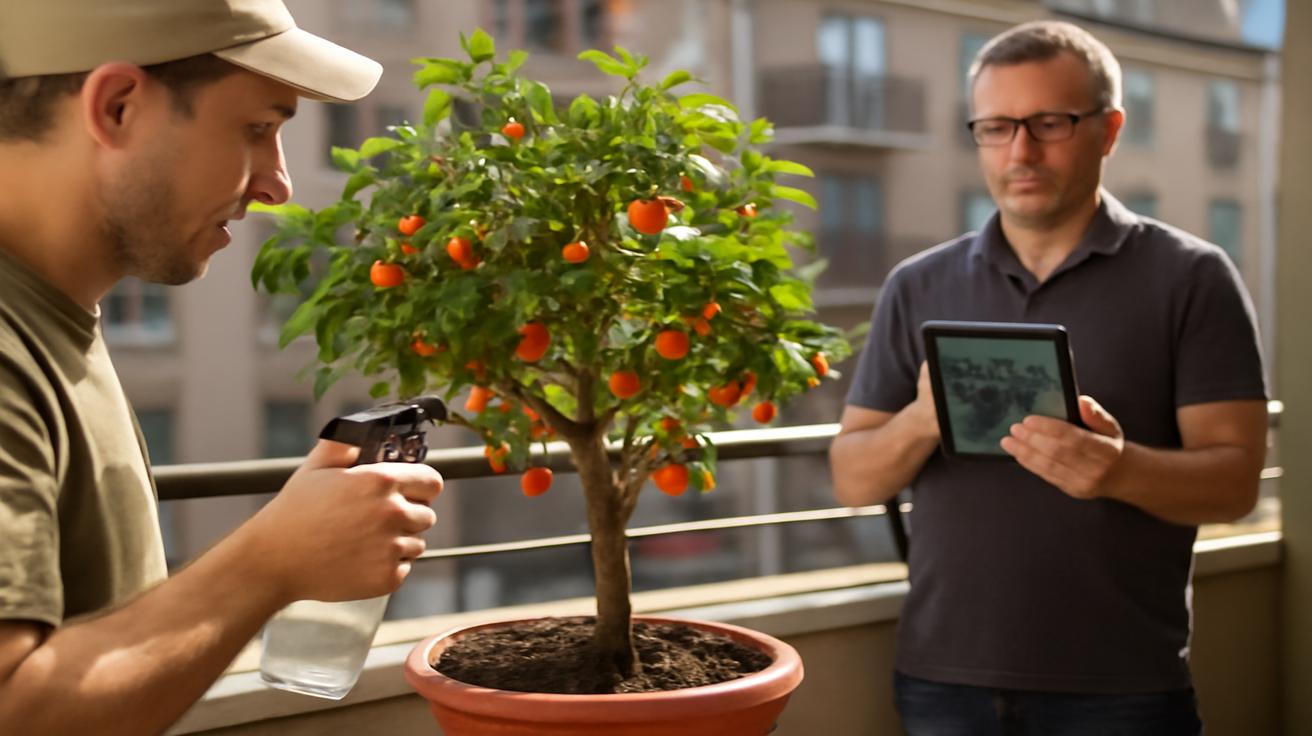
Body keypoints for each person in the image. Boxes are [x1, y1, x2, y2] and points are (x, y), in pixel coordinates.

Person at [0, 1, 445, 733]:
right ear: (117, 107)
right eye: (258, 129)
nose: (278, 185)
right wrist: (272, 561)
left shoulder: (54, 317)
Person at [830, 19, 1267, 735]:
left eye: (1049, 123)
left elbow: (1236, 482)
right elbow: (853, 479)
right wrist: (923, 417)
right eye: (996, 126)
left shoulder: (1191, 277)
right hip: (944, 680)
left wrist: (1116, 470)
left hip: (1123, 685)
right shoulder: (918, 283)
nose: (1020, 150)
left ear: (1110, 129)